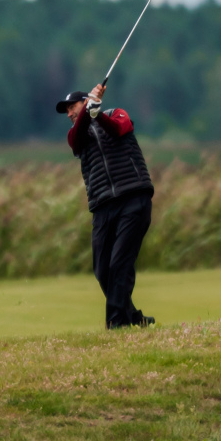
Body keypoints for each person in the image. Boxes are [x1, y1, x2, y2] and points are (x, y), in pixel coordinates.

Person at [56, 83, 156, 329]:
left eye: (73, 107)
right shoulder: (74, 135)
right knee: (102, 270)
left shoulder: (116, 114)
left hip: (134, 198)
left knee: (119, 264)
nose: (69, 113)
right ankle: (134, 318)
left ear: (84, 102)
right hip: (102, 207)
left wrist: (96, 112)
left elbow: (119, 129)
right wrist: (88, 111)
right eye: (67, 110)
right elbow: (78, 139)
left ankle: (116, 323)